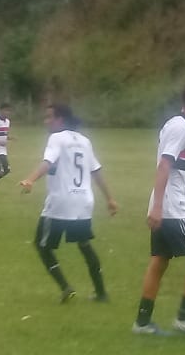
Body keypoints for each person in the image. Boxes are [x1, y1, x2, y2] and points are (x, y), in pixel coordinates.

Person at [133, 84, 185, 339]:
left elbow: (180, 171)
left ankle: (142, 323)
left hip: (175, 204)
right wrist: (158, 207)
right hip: (171, 208)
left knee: (159, 262)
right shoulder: (180, 127)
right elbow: (164, 166)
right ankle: (184, 318)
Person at [19, 104, 119, 303]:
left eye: (49, 117)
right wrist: (110, 199)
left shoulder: (56, 138)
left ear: (60, 120)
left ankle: (66, 288)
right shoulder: (84, 141)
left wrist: (30, 179)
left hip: (61, 202)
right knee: (84, 245)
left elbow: (47, 162)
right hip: (83, 201)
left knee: (42, 245)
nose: (46, 121)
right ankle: (101, 293)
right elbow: (95, 171)